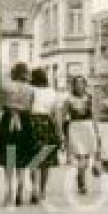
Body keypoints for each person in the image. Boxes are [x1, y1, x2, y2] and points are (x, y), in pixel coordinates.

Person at [0, 61, 36, 207]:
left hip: (8, 121)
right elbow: (30, 107)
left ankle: (8, 192)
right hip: (25, 121)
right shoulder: (31, 89)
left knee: (9, 156)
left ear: (13, 72)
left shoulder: (5, 87)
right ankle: (20, 186)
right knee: (22, 155)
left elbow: (2, 104)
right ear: (26, 73)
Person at [28, 68, 63, 203]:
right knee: (45, 162)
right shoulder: (53, 93)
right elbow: (57, 116)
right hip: (47, 125)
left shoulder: (31, 90)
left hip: (32, 125)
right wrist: (60, 133)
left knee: (34, 160)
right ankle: (42, 191)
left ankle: (34, 189)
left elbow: (26, 109)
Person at [62, 75, 99, 193]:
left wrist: (97, 132)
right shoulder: (68, 99)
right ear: (74, 85)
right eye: (77, 83)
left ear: (84, 85)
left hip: (88, 127)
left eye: (82, 83)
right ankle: (82, 183)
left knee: (86, 158)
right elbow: (63, 116)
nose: (79, 85)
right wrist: (63, 133)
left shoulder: (89, 98)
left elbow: (94, 115)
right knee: (81, 156)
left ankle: (80, 176)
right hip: (75, 127)